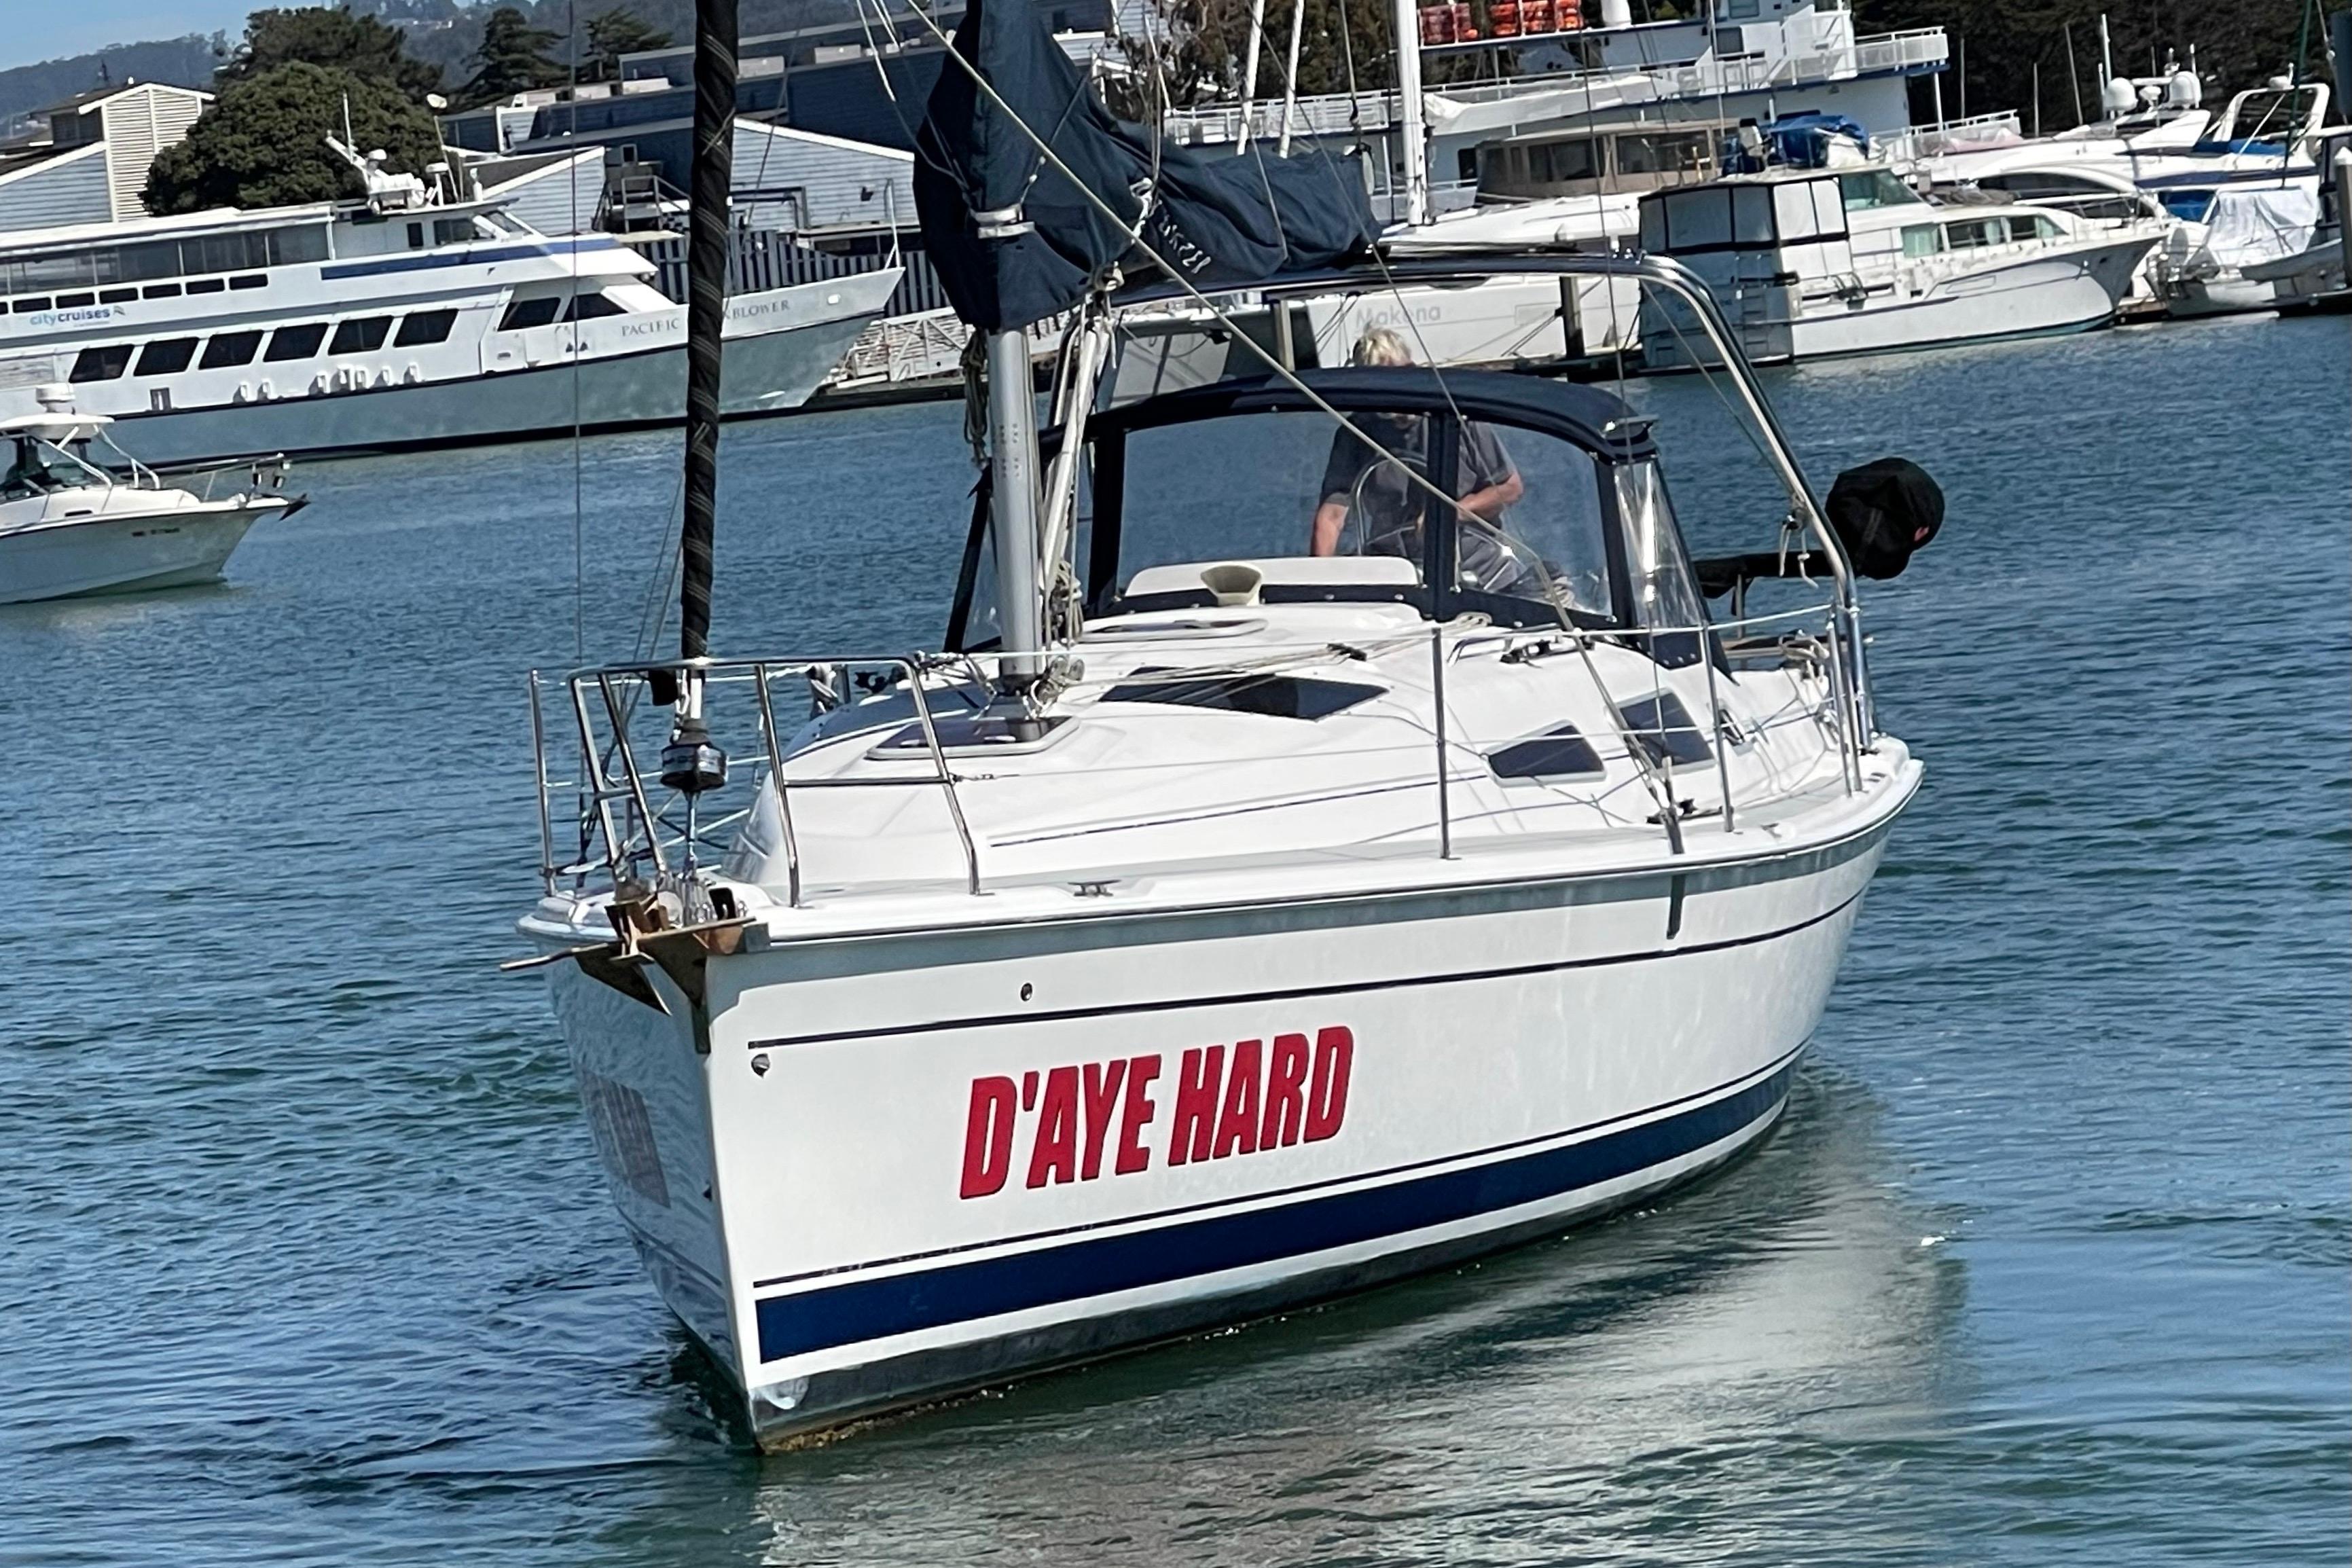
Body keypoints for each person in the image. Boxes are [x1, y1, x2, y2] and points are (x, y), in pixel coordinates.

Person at [1309, 327, 1523, 562]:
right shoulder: (1357, 433)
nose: (1390, 397)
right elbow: (1332, 516)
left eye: (1396, 380)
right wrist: (1319, 577)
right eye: (1377, 388)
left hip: (1476, 563)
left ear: (1412, 371)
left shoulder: (1458, 419)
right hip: (1395, 566)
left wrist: (1453, 512)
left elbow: (1510, 487)